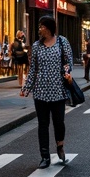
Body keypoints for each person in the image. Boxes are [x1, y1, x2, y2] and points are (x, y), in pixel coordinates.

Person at [20, 15, 72, 168]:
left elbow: (67, 61)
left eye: (42, 26)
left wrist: (67, 72)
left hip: (58, 90)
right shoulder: (36, 46)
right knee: (42, 124)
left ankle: (60, 146)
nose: (39, 29)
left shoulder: (62, 42)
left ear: (49, 28)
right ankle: (44, 156)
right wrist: (27, 88)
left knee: (59, 122)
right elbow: (33, 69)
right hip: (41, 91)